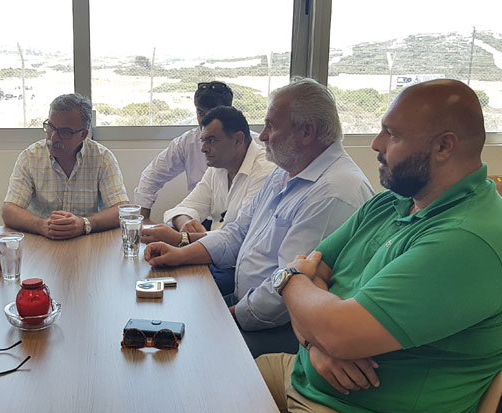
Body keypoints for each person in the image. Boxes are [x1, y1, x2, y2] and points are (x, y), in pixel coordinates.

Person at [258, 79, 502, 413]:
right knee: (206, 382)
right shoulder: (393, 201)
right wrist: (317, 343)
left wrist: (290, 279)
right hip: (303, 373)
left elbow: (332, 321)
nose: (375, 143)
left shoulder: (467, 239)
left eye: (392, 134)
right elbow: (316, 268)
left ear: (444, 146)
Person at [144, 78, 373, 357]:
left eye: (271, 126)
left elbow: (288, 286)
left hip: (284, 329)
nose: (262, 136)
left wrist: (230, 316)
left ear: (307, 132)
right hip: (249, 305)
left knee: (188, 351)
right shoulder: (284, 172)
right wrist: (180, 254)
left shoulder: (333, 192)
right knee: (168, 320)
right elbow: (238, 232)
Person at [2, 93, 129, 240]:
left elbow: (122, 210)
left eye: (64, 132)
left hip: (87, 240)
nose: (53, 137)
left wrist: (85, 224)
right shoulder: (30, 157)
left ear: (83, 135)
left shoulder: (102, 158)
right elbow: (9, 211)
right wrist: (40, 225)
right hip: (42, 240)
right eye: (50, 127)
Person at [141, 106, 274, 246]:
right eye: (203, 140)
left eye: (211, 140)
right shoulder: (218, 167)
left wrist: (182, 238)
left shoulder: (265, 171)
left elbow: (241, 235)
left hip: (239, 256)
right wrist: (185, 224)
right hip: (214, 250)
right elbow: (185, 207)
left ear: (238, 139)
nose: (203, 149)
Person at [134, 81, 235, 224]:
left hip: (236, 221)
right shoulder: (187, 142)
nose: (205, 120)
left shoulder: (250, 144)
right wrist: (143, 220)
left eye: (213, 114)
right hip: (199, 219)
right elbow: (151, 175)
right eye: (201, 113)